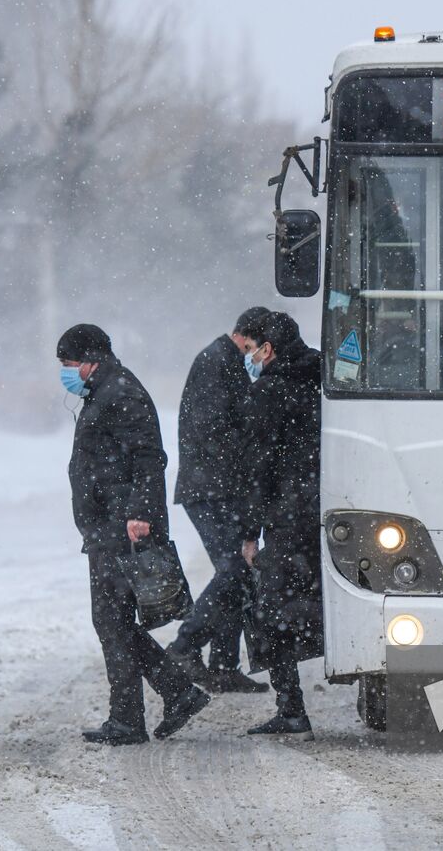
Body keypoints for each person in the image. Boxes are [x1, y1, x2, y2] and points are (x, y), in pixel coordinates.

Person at [58, 323, 210, 745]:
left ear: (90, 359)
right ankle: (170, 696)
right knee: (115, 620)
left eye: (69, 364)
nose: (66, 372)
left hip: (122, 527)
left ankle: (133, 715)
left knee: (111, 620)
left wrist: (139, 513)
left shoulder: (120, 392)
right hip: (108, 524)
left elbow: (148, 458)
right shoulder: (104, 390)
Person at [166, 307, 272, 694]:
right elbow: (214, 429)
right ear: (249, 338)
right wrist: (251, 445)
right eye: (261, 348)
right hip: (210, 489)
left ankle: (224, 666)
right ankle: (184, 645)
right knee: (235, 571)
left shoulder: (226, 360)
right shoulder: (216, 362)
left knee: (238, 576)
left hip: (220, 486)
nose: (261, 356)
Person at [240, 312, 323, 740]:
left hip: (288, 517)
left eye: (252, 348)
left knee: (269, 612)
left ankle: (291, 710)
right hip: (337, 510)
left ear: (268, 349)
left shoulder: (267, 392)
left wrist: (249, 532)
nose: (250, 357)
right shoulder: (327, 378)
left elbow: (260, 467)